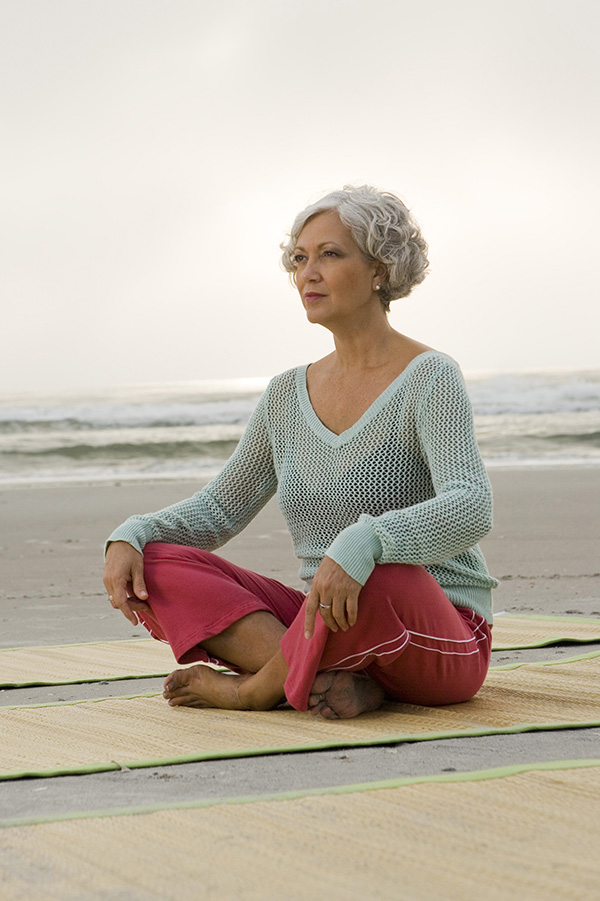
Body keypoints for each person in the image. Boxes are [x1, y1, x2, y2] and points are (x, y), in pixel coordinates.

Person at [103, 185, 498, 720]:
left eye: (330, 255)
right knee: (155, 562)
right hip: (328, 618)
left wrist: (367, 540)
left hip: (434, 627)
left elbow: (471, 504)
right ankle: (336, 681)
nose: (307, 273)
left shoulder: (430, 377)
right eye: (299, 258)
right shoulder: (286, 395)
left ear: (381, 267)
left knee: (384, 572)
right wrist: (133, 533)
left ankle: (257, 688)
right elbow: (219, 510)